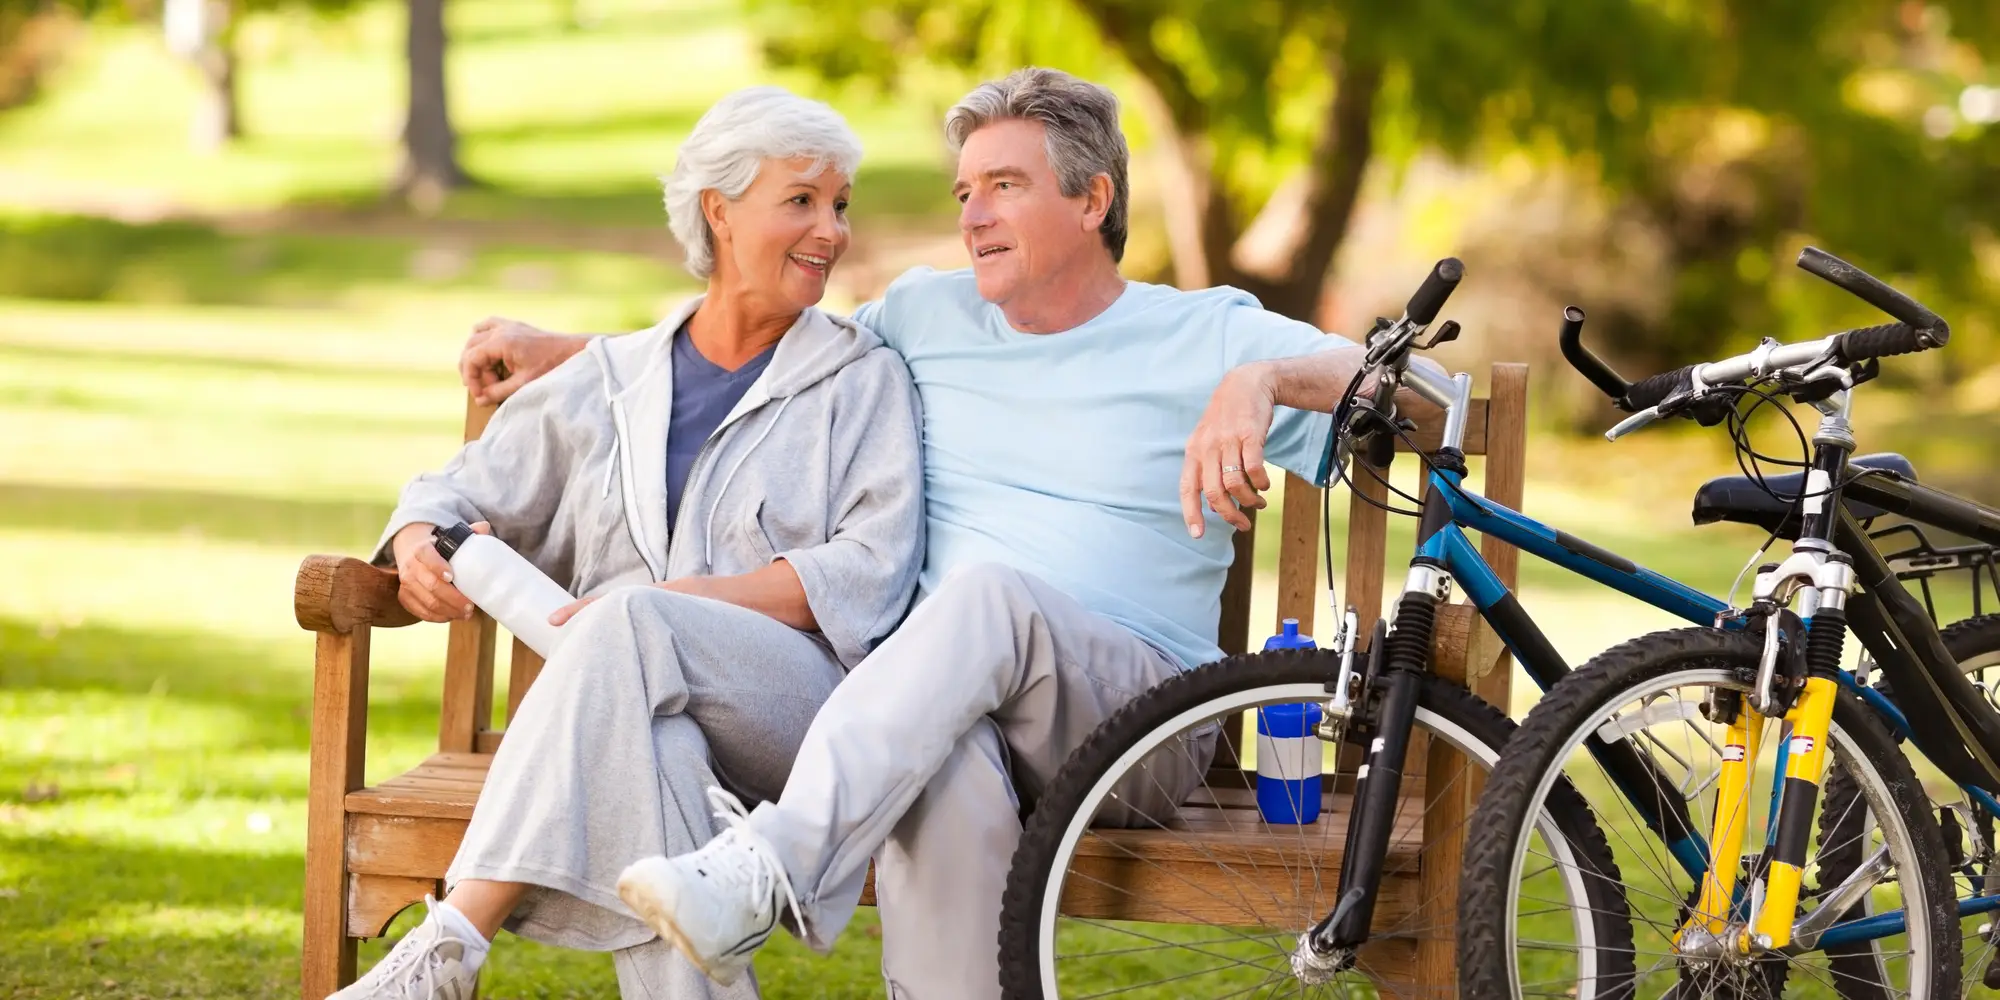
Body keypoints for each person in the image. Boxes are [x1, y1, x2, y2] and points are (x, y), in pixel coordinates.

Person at [466, 68, 1439, 1000]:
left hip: (1137, 722)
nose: (970, 214)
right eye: (964, 189)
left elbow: (1424, 401)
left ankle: (771, 865)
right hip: (946, 706)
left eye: (1003, 186)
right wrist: (568, 353)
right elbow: (760, 337)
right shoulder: (927, 315)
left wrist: (1259, 381)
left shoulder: (1205, 331)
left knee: (987, 597)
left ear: (1091, 198)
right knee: (942, 758)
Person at [334, 86, 925, 1000]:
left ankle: (453, 939)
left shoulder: (861, 379)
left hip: (802, 721)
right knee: (659, 749)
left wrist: (664, 606)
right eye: (801, 200)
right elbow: (450, 489)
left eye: (840, 204)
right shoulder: (608, 382)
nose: (832, 230)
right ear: (719, 212)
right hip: (641, 720)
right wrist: (415, 536)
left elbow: (867, 575)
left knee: (632, 626)